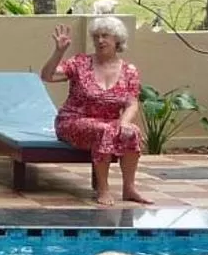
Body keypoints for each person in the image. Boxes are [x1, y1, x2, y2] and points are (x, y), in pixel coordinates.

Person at [39, 15, 148, 206]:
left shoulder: (129, 70)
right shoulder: (80, 63)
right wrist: (59, 52)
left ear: (117, 40)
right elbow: (47, 76)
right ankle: (103, 189)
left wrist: (125, 123)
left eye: (105, 36)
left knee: (133, 132)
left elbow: (132, 103)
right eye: (96, 36)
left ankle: (129, 188)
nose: (100, 40)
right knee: (104, 130)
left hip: (110, 122)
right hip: (73, 121)